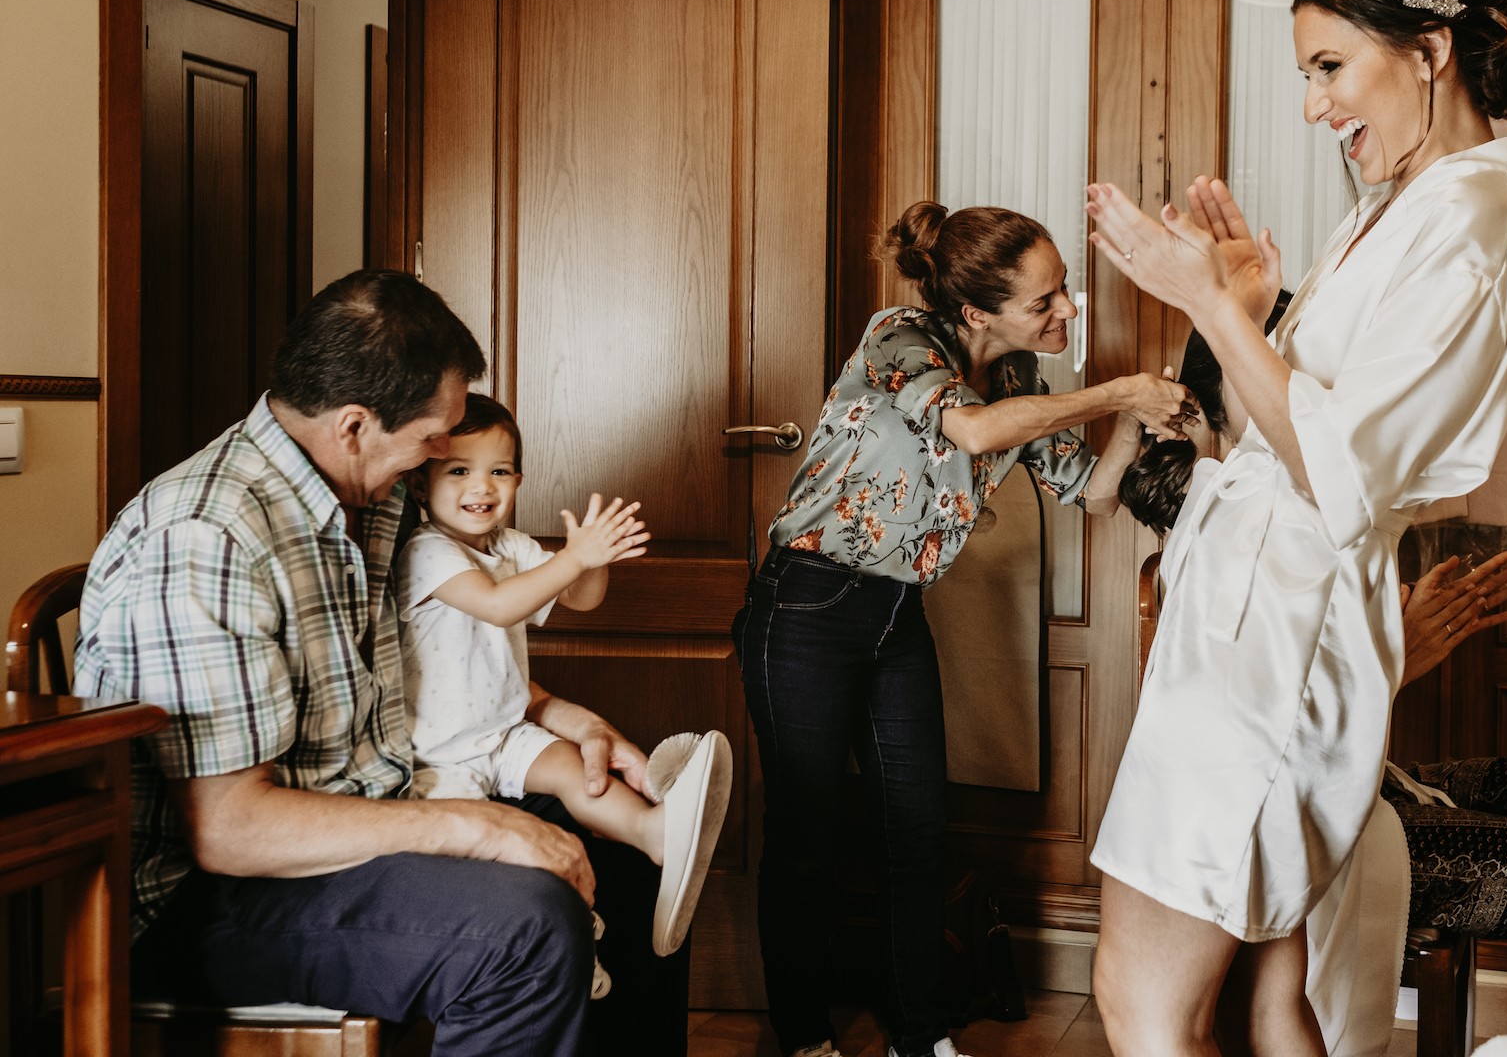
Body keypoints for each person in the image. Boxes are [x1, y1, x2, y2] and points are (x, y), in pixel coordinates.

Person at [1083, 0, 1507, 1055]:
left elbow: (1337, 469)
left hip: (1273, 656)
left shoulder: (1470, 228)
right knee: (1271, 997)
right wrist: (1246, 319)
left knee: (1142, 1004)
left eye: (1330, 67)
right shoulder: (1397, 213)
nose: (1314, 106)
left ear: (1430, 49)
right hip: (1248, 635)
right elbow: (1278, 430)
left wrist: (1201, 307)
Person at [72, 270, 687, 1057]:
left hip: (367, 815)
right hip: (217, 896)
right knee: (529, 928)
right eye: (434, 438)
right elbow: (230, 831)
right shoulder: (207, 538)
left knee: (629, 868)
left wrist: (564, 716)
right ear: (355, 424)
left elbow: (444, 659)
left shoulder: (370, 500)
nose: (443, 457)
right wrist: (475, 827)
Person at [1122, 335, 1507, 1057]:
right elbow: (1252, 761)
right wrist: (1390, 659)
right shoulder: (1226, 539)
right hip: (1325, 831)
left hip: (1390, 788)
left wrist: (1391, 647)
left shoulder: (1308, 513)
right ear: (1212, 408)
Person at [732, 201, 1194, 1057]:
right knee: (809, 837)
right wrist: (1121, 389)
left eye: (1066, 293)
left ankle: (921, 1037)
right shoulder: (900, 337)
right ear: (976, 311)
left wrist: (1131, 423)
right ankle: (802, 1037)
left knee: (918, 831)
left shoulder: (1020, 377)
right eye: (1045, 301)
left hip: (896, 615)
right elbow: (970, 428)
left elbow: (1091, 494)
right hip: (806, 609)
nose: (1066, 313)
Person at [397, 392, 733, 977]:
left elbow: (582, 597)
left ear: (519, 480)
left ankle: (658, 833)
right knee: (491, 858)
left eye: (499, 471)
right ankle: (573, 934)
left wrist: (592, 557)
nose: (482, 487)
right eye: (459, 471)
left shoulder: (511, 547)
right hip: (439, 751)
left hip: (504, 730)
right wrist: (573, 559)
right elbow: (500, 606)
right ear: (422, 486)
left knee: (579, 770)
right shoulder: (427, 552)